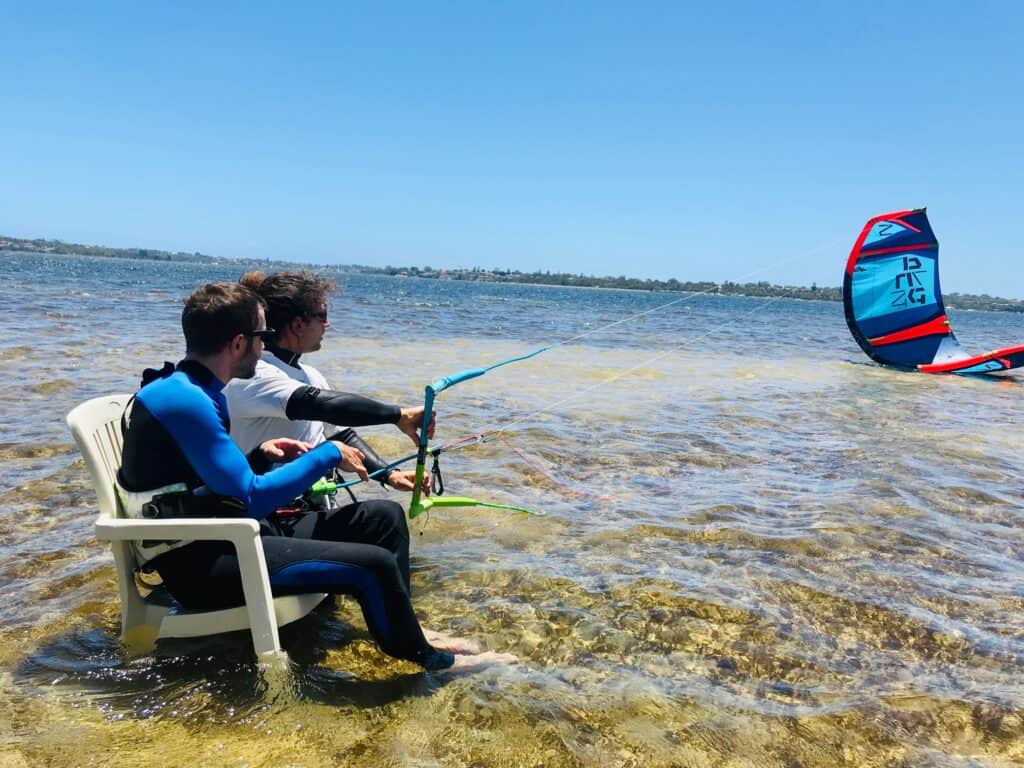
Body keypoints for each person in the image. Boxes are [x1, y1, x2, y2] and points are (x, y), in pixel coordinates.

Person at [116, 281, 514, 671]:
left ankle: (408, 629)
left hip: (224, 536)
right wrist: (326, 455)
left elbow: (199, 483)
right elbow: (251, 498)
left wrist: (257, 456)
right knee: (371, 566)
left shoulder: (193, 390)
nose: (265, 344)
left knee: (383, 519)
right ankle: (431, 661)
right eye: (261, 335)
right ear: (238, 343)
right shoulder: (187, 400)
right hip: (202, 566)